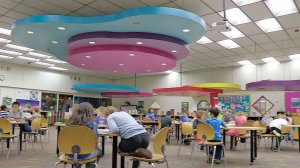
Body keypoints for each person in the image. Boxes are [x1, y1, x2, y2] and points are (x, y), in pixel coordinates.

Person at [66, 102, 102, 168]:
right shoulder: (92, 124)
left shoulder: (69, 123)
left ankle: (77, 166)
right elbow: (95, 142)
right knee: (99, 152)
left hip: (69, 153)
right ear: (90, 112)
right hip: (85, 154)